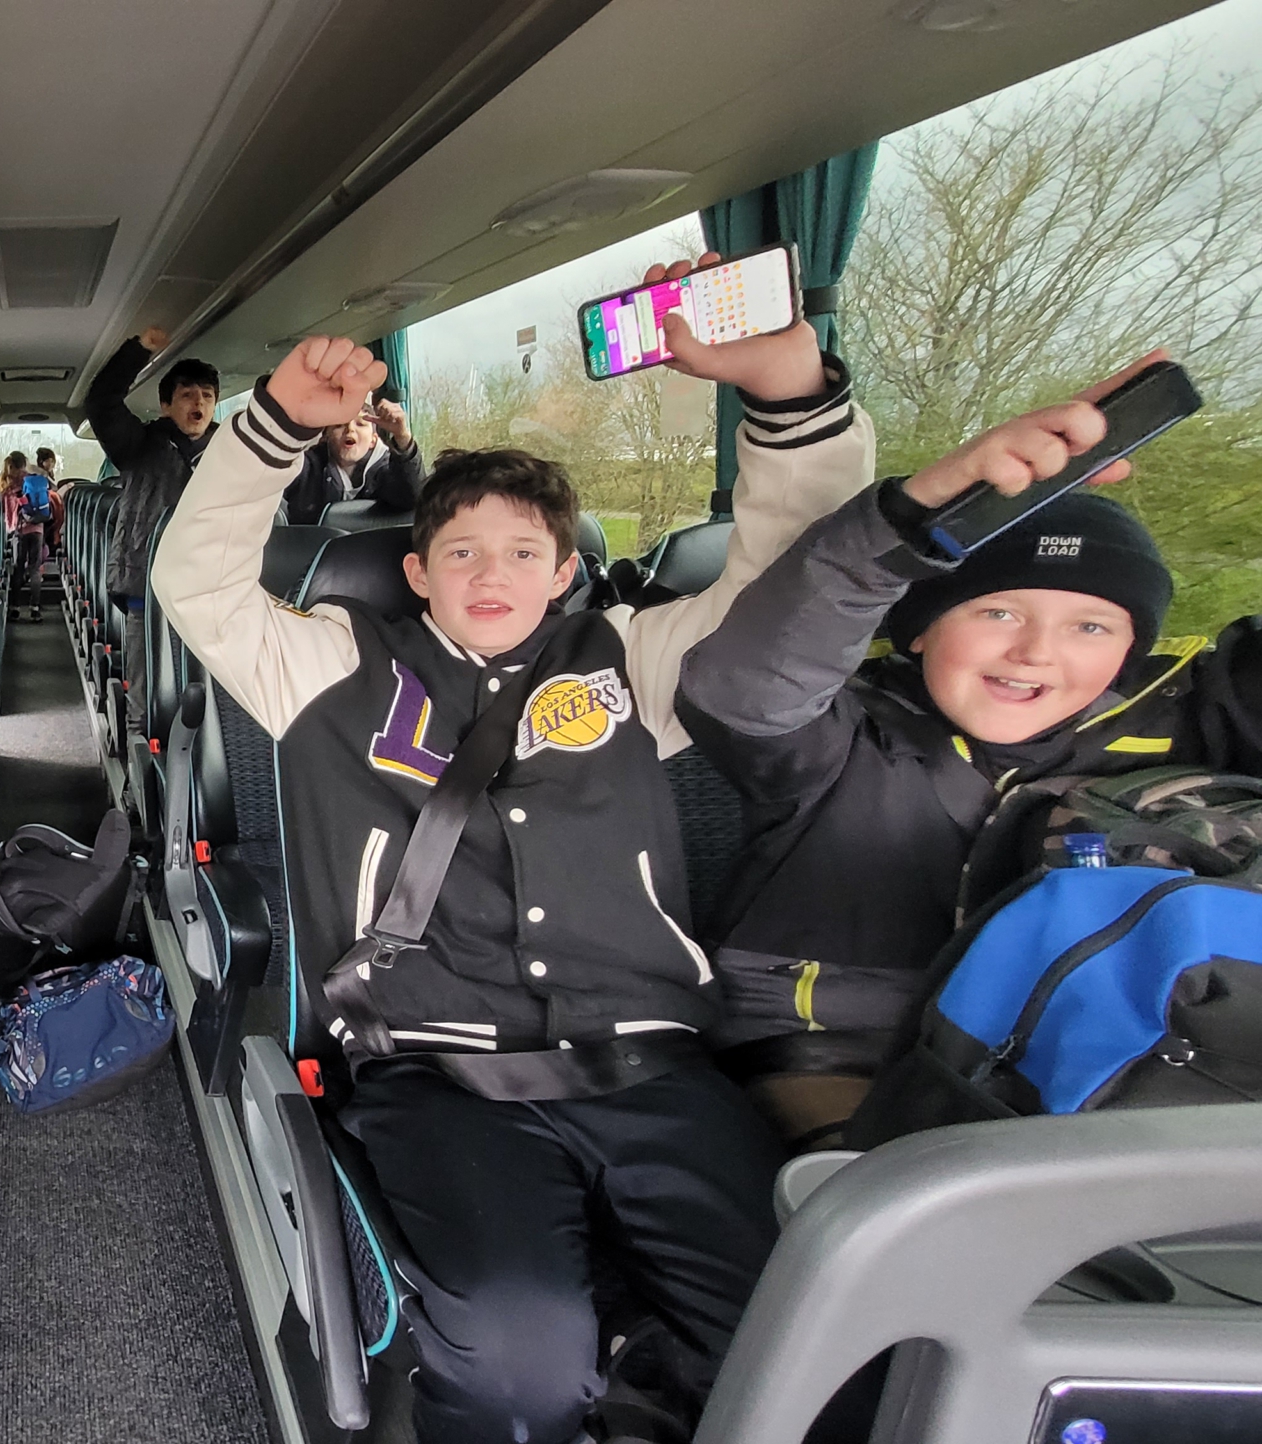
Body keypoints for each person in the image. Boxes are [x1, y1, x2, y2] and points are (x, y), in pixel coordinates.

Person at [150, 256, 876, 1444]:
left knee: (810, 1342)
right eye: (464, 552)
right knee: (514, 1365)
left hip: (655, 1067)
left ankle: (642, 1365)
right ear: (416, 570)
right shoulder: (336, 666)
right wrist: (275, 424)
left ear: (566, 568)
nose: (494, 573)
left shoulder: (632, 661)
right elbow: (196, 582)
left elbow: (791, 590)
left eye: (525, 551)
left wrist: (786, 397)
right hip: (440, 1075)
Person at [676, 350, 1262, 1142]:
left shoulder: (1194, 716)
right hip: (837, 1047)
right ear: (918, 632)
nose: (1036, 652)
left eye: (1090, 626)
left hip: (1102, 1051)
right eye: (998, 613)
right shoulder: (841, 732)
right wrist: (912, 518)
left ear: (1132, 650)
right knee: (901, 1195)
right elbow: (746, 680)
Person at [88, 327, 218, 728]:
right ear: (166, 405)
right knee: (146, 692)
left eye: (207, 396)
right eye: (187, 395)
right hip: (147, 584)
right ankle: (138, 755)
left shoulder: (231, 452)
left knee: (208, 694)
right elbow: (101, 402)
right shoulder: (138, 444)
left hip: (212, 589)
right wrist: (138, 350)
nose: (199, 403)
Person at [282, 395, 425, 525]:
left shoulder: (390, 470)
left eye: (360, 424)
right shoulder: (306, 468)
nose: (350, 429)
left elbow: (414, 498)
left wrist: (402, 437)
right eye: (339, 425)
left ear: (373, 440)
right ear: (326, 437)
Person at [0, 451, 49, 623]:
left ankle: (15, 608)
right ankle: (35, 609)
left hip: (19, 530)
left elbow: (6, 513)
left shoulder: (7, 485)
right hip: (37, 529)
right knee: (35, 569)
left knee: (18, 568)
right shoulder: (33, 480)